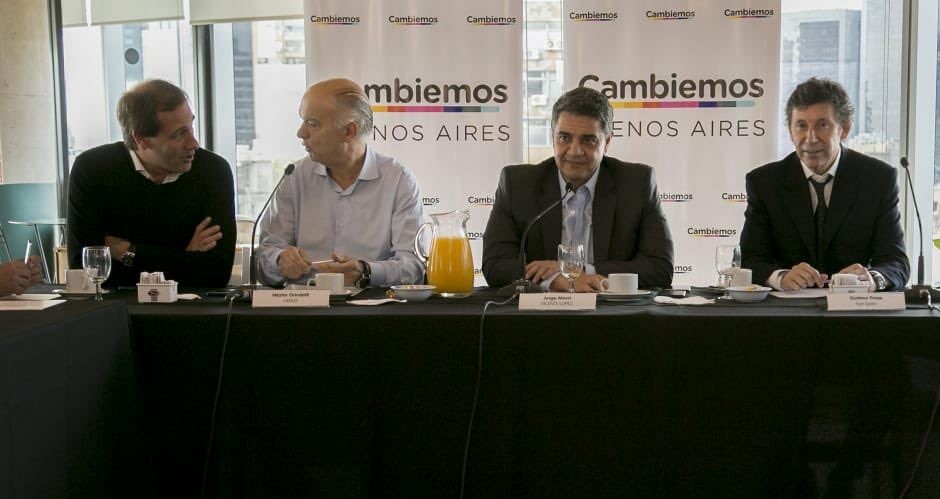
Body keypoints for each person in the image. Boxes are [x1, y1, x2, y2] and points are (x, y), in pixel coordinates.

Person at [482, 86, 674, 292]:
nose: (574, 151)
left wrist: (581, 271)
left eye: (588, 140)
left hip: (612, 309)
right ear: (552, 137)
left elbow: (660, 268)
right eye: (564, 138)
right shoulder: (518, 184)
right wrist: (557, 279)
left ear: (607, 142)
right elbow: (496, 265)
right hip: (540, 309)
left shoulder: (636, 183)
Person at [740, 77, 909, 291]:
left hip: (854, 306)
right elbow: (751, 260)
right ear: (790, 132)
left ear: (844, 129)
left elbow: (896, 262)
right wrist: (781, 277)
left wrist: (873, 279)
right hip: (786, 308)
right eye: (801, 126)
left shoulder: (877, 179)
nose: (811, 138)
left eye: (822, 125)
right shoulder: (765, 182)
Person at [67, 79, 235, 288]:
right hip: (114, 307)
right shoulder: (93, 170)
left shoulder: (213, 171)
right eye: (179, 133)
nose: (194, 143)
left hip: (194, 306)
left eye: (191, 126)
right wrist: (185, 257)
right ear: (141, 139)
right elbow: (86, 271)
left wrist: (126, 252)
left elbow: (216, 273)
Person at [257, 78, 425, 287]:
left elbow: (414, 266)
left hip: (372, 304)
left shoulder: (398, 181)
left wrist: (366, 271)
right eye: (303, 121)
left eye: (312, 123)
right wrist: (279, 260)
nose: (300, 133)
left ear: (349, 132)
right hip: (303, 303)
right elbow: (263, 256)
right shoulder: (294, 177)